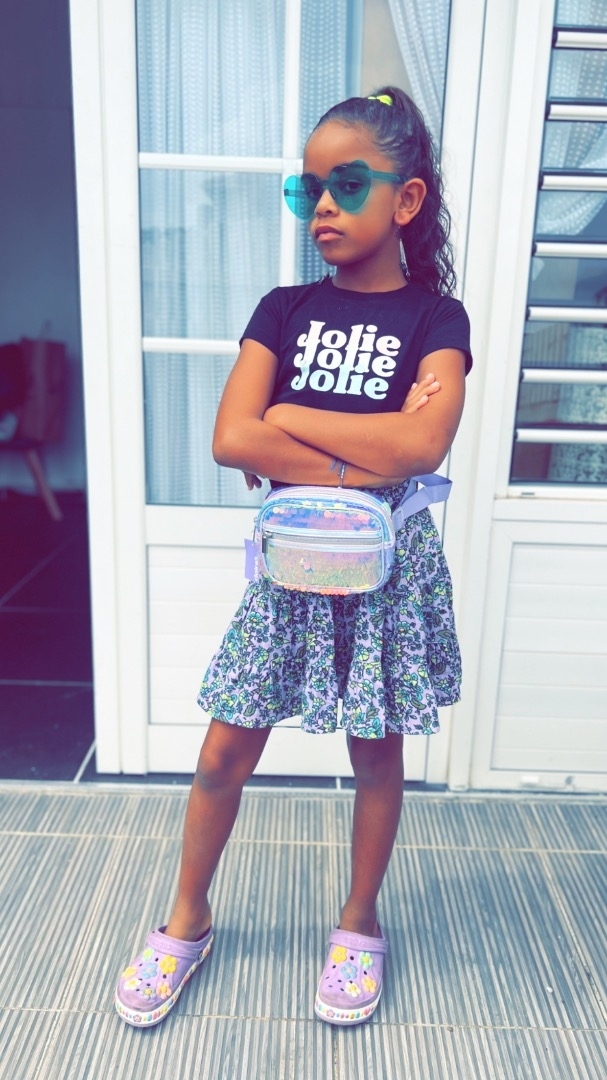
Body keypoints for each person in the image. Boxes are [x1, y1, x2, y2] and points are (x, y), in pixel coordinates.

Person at [115, 85, 472, 1029]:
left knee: (376, 757)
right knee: (223, 750)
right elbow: (232, 439)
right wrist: (364, 453)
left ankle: (358, 922)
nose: (321, 205)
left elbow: (422, 446)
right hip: (288, 574)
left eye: (346, 184)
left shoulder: (437, 321)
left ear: (405, 199)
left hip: (386, 577)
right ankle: (186, 920)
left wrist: (289, 416)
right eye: (306, 188)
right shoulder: (282, 310)